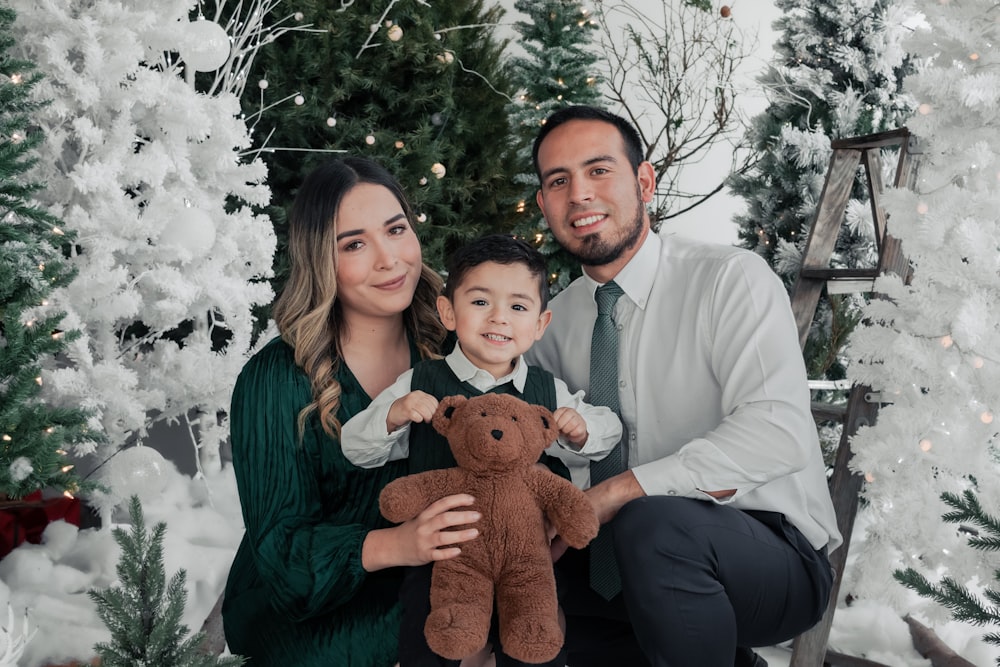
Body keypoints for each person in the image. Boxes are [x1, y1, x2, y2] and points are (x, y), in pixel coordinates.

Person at [524, 105, 842, 667]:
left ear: (644, 181)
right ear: (544, 202)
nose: (579, 195)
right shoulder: (548, 324)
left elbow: (778, 433)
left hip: (770, 551)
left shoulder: (729, 279)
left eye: (599, 170)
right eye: (558, 181)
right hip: (617, 568)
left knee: (653, 525)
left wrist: (620, 490)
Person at [221, 156, 483, 667]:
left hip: (431, 579)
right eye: (355, 244)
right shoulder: (275, 378)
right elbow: (280, 554)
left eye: (396, 230)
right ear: (321, 260)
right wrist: (400, 544)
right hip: (304, 606)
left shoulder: (456, 347)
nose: (390, 260)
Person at [342, 233, 622, 667]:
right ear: (448, 312)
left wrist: (582, 430)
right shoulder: (422, 382)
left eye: (517, 306)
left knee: (535, 635)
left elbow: (612, 429)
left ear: (539, 324)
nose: (499, 319)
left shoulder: (548, 391)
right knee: (429, 633)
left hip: (529, 557)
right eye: (480, 303)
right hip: (442, 556)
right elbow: (356, 447)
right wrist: (393, 415)